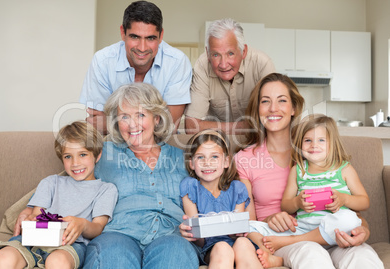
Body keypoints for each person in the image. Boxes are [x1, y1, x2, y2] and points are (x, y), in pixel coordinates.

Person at [234, 73, 384, 269]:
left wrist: (363, 230)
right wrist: (272, 218)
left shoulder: (314, 147)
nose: (273, 108)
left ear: (294, 108)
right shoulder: (245, 158)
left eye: (282, 100)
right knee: (312, 254)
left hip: (334, 233)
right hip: (287, 238)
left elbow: (349, 206)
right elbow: (248, 223)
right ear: (257, 108)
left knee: (362, 257)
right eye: (265, 101)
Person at [81, 83, 199, 268]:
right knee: (113, 256)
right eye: (124, 117)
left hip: (172, 234)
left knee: (175, 255)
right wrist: (34, 208)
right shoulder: (104, 153)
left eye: (141, 115)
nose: (132, 124)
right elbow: (70, 180)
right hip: (118, 233)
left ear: (157, 119)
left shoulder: (183, 158)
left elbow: (214, 191)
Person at [0, 121, 118, 269]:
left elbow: (98, 227)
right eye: (68, 156)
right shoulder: (51, 183)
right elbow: (36, 215)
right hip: (34, 240)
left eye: (82, 154)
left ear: (97, 155)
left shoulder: (106, 189)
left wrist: (82, 225)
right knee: (2, 259)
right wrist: (30, 220)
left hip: (69, 244)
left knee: (57, 262)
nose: (75, 163)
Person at [247, 114, 369, 260]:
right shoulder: (298, 171)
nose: (314, 145)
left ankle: (290, 242)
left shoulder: (344, 169)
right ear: (300, 144)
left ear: (332, 144)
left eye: (321, 140)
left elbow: (364, 202)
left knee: (350, 218)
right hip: (303, 229)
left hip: (336, 232)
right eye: (308, 140)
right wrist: (297, 202)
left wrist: (344, 199)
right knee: (249, 228)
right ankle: (280, 249)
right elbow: (285, 204)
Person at [80, 0, 192, 134]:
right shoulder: (102, 61)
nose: (142, 48)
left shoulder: (177, 62)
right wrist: (152, 122)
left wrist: (112, 124)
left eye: (150, 38)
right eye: (135, 37)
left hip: (162, 148)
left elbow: (169, 127)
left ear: (161, 35)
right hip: (114, 146)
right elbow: (97, 125)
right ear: (123, 32)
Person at [180, 129, 264, 268]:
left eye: (214, 157)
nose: (207, 163)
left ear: (226, 162)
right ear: (192, 164)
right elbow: (199, 239)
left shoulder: (237, 188)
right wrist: (192, 232)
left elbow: (238, 232)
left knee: (243, 243)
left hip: (235, 242)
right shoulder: (190, 186)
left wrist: (237, 232)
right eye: (200, 157)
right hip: (210, 247)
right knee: (222, 248)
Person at [185, 18, 275, 134]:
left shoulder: (262, 64)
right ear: (208, 54)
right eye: (216, 55)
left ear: (244, 52)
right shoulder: (202, 66)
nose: (223, 64)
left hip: (256, 142)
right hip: (217, 142)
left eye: (230, 53)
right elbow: (192, 126)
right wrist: (247, 126)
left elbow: (273, 120)